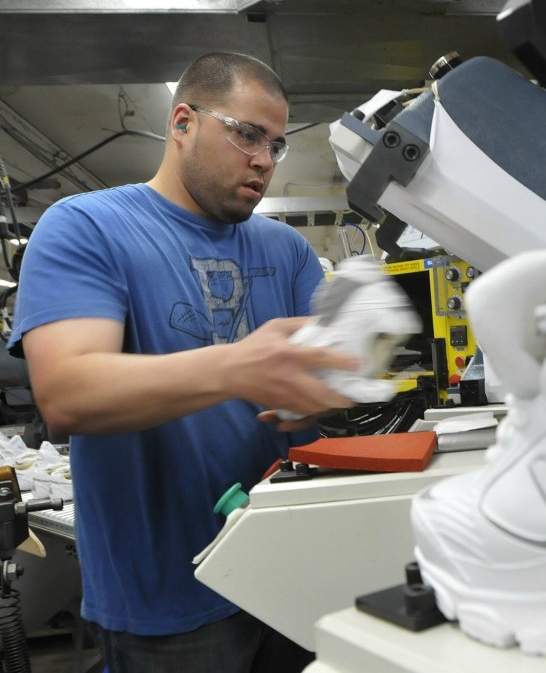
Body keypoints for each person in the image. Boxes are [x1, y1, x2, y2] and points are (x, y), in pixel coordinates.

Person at [7, 52, 359, 672]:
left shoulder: (287, 249)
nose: (264, 161)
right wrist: (238, 366)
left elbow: (326, 378)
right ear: (182, 122)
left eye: (276, 144)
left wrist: (344, 377)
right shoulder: (86, 227)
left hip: (296, 574)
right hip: (168, 591)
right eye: (247, 133)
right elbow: (66, 394)